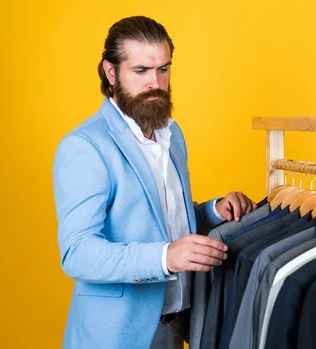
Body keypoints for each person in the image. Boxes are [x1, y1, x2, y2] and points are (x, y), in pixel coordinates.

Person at [53, 16, 257, 349]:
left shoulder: (172, 134)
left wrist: (214, 211)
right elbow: (77, 253)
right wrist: (164, 258)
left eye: (163, 69)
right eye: (141, 71)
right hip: (116, 335)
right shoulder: (85, 146)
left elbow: (162, 219)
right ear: (110, 72)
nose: (155, 83)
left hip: (177, 324)